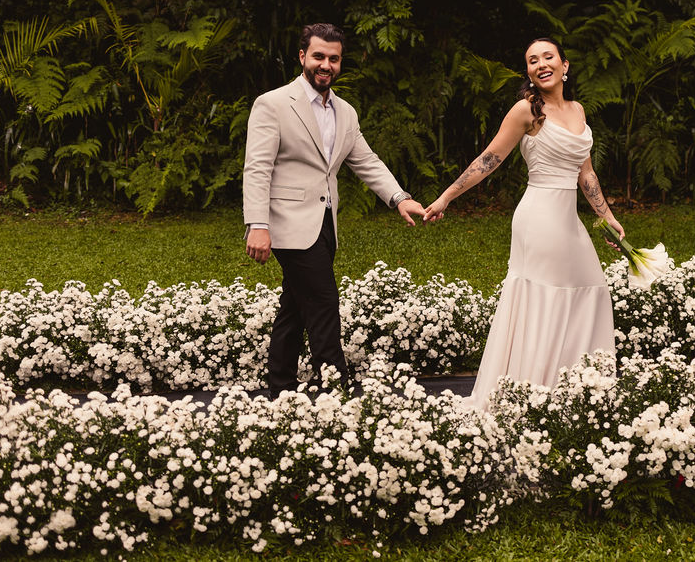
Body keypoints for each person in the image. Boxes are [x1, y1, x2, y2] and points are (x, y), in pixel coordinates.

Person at [423, 37, 624, 409]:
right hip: (539, 217)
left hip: (568, 219)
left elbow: (586, 173)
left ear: (565, 66)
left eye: (548, 57)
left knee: (591, 288)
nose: (541, 63)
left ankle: (577, 390)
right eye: (533, 60)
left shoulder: (579, 110)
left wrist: (607, 217)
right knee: (545, 296)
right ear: (529, 73)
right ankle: (531, 392)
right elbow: (489, 159)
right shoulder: (526, 111)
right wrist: (446, 197)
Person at [243, 23, 427, 399]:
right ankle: (337, 391)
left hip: (326, 224)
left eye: (334, 58)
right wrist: (257, 224)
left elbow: (366, 161)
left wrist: (399, 197)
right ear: (302, 57)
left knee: (294, 306)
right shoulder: (273, 104)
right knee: (324, 302)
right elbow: (257, 168)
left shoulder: (345, 112)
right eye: (318, 57)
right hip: (287, 224)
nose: (325, 65)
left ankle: (279, 387)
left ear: (340, 62)